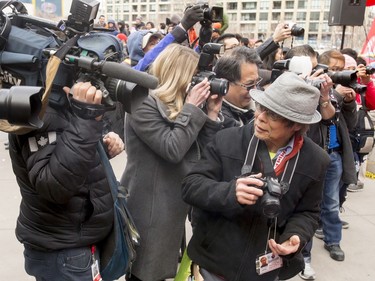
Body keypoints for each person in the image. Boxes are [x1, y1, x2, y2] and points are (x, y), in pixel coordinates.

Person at [182, 71, 331, 281]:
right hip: (211, 265)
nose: (260, 118)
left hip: (265, 271)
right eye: (261, 107)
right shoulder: (226, 140)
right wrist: (230, 192)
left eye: (273, 115)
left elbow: (308, 212)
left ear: (296, 124)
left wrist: (296, 236)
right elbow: (190, 186)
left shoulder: (317, 160)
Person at [120, 43, 224, 281]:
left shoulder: (181, 106)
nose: (199, 82)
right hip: (150, 207)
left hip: (174, 204)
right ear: (179, 74)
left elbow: (204, 153)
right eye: (194, 75)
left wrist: (211, 115)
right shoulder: (141, 102)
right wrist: (192, 107)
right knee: (144, 274)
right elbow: (172, 148)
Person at [7, 81, 125, 280]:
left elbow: (64, 157)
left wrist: (101, 149)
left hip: (74, 244)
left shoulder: (61, 101)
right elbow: (54, 185)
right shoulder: (44, 110)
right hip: (65, 253)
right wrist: (87, 120)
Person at [309, 49, 358, 262]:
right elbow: (314, 118)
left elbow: (352, 123)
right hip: (314, 154)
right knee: (308, 203)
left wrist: (348, 103)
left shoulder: (337, 92)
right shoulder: (311, 88)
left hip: (335, 155)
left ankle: (333, 241)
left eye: (342, 70)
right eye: (335, 70)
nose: (339, 75)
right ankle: (303, 251)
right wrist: (332, 94)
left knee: (331, 202)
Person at [214, 46, 262, 128]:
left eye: (257, 83)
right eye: (249, 85)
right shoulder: (217, 119)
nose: (255, 89)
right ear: (225, 84)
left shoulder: (257, 107)